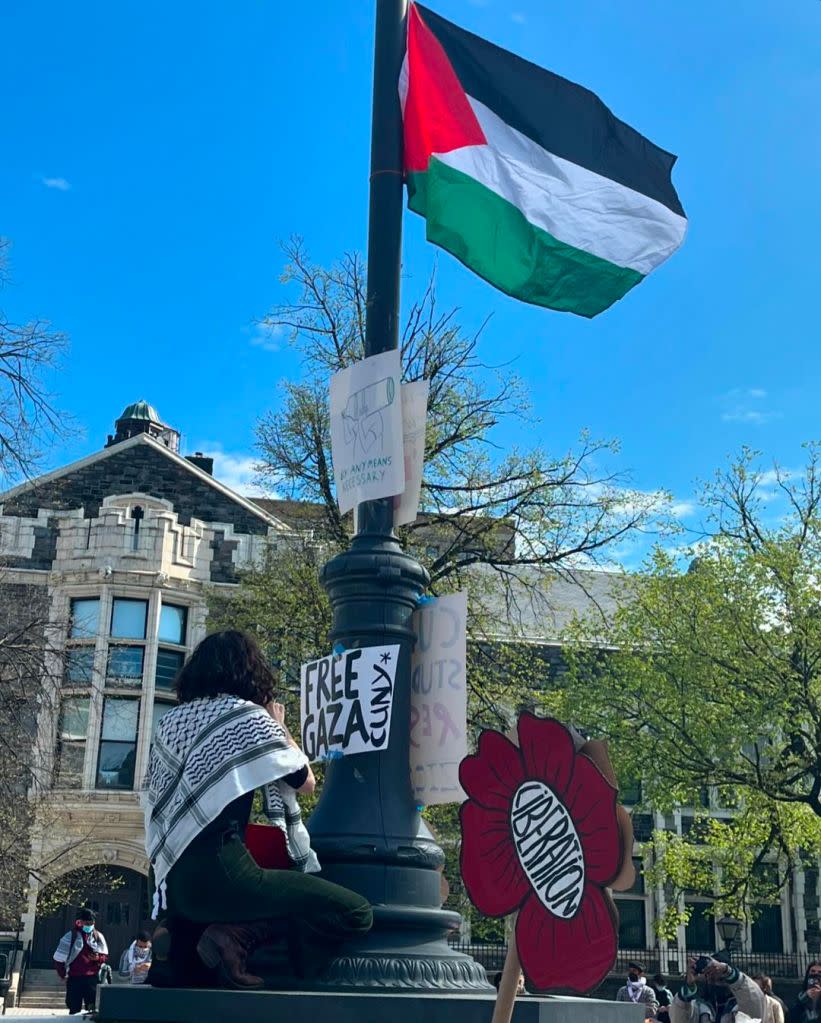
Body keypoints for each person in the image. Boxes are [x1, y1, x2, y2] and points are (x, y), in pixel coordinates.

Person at [143, 630, 373, 989]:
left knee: (191, 973)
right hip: (226, 874)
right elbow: (305, 781)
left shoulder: (170, 724)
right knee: (354, 911)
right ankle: (234, 935)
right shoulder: (247, 717)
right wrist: (279, 725)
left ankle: (176, 935)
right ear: (248, 672)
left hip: (170, 882)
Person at [669, 956, 767, 1023]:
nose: (714, 978)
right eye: (709, 974)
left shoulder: (741, 1004)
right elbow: (678, 1019)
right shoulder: (698, 1005)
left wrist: (727, 971)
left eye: (717, 973)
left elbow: (754, 1002)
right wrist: (689, 986)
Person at [52, 907, 109, 1015]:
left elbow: (105, 956)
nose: (89, 925)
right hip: (75, 977)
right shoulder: (71, 936)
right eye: (87, 923)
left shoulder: (98, 936)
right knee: (73, 1008)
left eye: (91, 923)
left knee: (92, 1009)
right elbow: (59, 958)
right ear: (80, 922)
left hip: (92, 978)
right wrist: (62, 974)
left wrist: (97, 958)